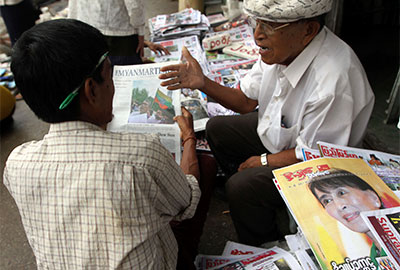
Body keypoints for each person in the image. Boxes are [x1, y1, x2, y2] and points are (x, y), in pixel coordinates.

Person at [159, 0, 375, 246]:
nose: (257, 34)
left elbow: (312, 155)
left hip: (320, 162)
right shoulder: (281, 50)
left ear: (308, 31)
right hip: (284, 137)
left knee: (242, 187)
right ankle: (252, 202)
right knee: (217, 128)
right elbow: (244, 102)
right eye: (255, 22)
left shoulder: (333, 80)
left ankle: (266, 243)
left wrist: (262, 162)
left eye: (270, 26)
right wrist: (202, 82)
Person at [3, 19, 204, 269]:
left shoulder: (16, 163)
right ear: (91, 90)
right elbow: (187, 200)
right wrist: (188, 138)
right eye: (110, 76)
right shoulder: (140, 156)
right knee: (198, 173)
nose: (113, 86)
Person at [308, 168, 391, 268]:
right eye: (327, 201)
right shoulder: (375, 254)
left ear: (373, 198)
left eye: (342, 193)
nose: (339, 206)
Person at [68, 0, 170, 66]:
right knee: (124, 83)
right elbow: (135, 6)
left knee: (99, 78)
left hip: (87, 28)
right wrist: (140, 31)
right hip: (119, 37)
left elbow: (73, 6)